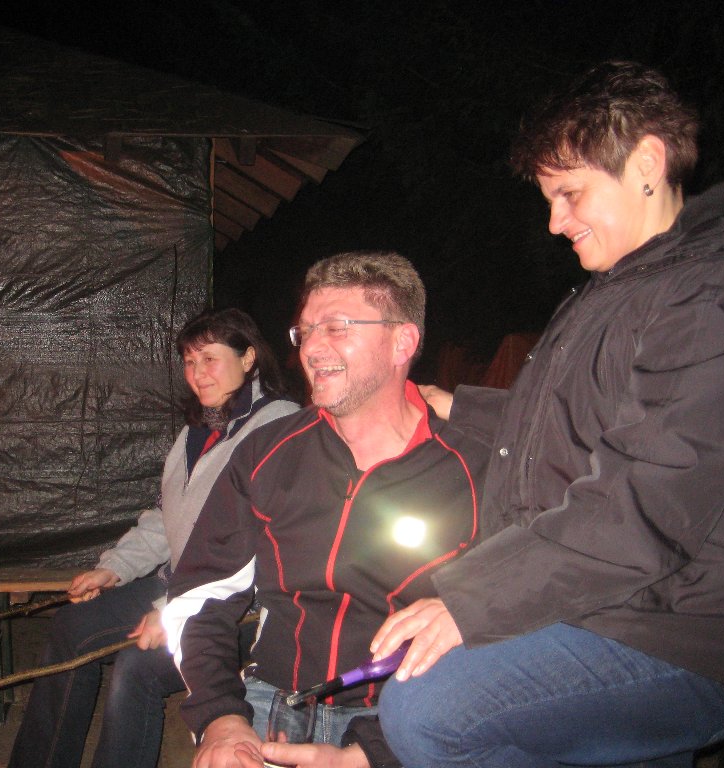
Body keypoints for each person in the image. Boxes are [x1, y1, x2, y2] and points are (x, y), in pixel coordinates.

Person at [365, 61, 724, 768]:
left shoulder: (703, 293)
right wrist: (453, 407)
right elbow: (570, 425)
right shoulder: (618, 287)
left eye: (569, 193)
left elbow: (641, 506)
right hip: (611, 604)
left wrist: (477, 600)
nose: (556, 223)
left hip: (674, 623)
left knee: (429, 708)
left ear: (646, 163)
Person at [161, 251, 490, 768]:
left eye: (337, 328)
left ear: (403, 341)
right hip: (273, 705)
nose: (312, 348)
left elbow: (506, 623)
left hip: (403, 720)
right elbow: (201, 593)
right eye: (306, 331)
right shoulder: (268, 452)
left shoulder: (475, 466)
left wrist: (378, 752)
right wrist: (219, 717)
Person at [7, 308, 298, 768]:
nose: (197, 373)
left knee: (136, 668)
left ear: (248, 358)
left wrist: (171, 610)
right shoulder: (196, 431)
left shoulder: (279, 427)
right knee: (71, 627)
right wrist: (114, 568)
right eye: (189, 361)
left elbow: (259, 545)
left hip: (242, 606)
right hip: (177, 586)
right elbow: (165, 518)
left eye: (210, 358)